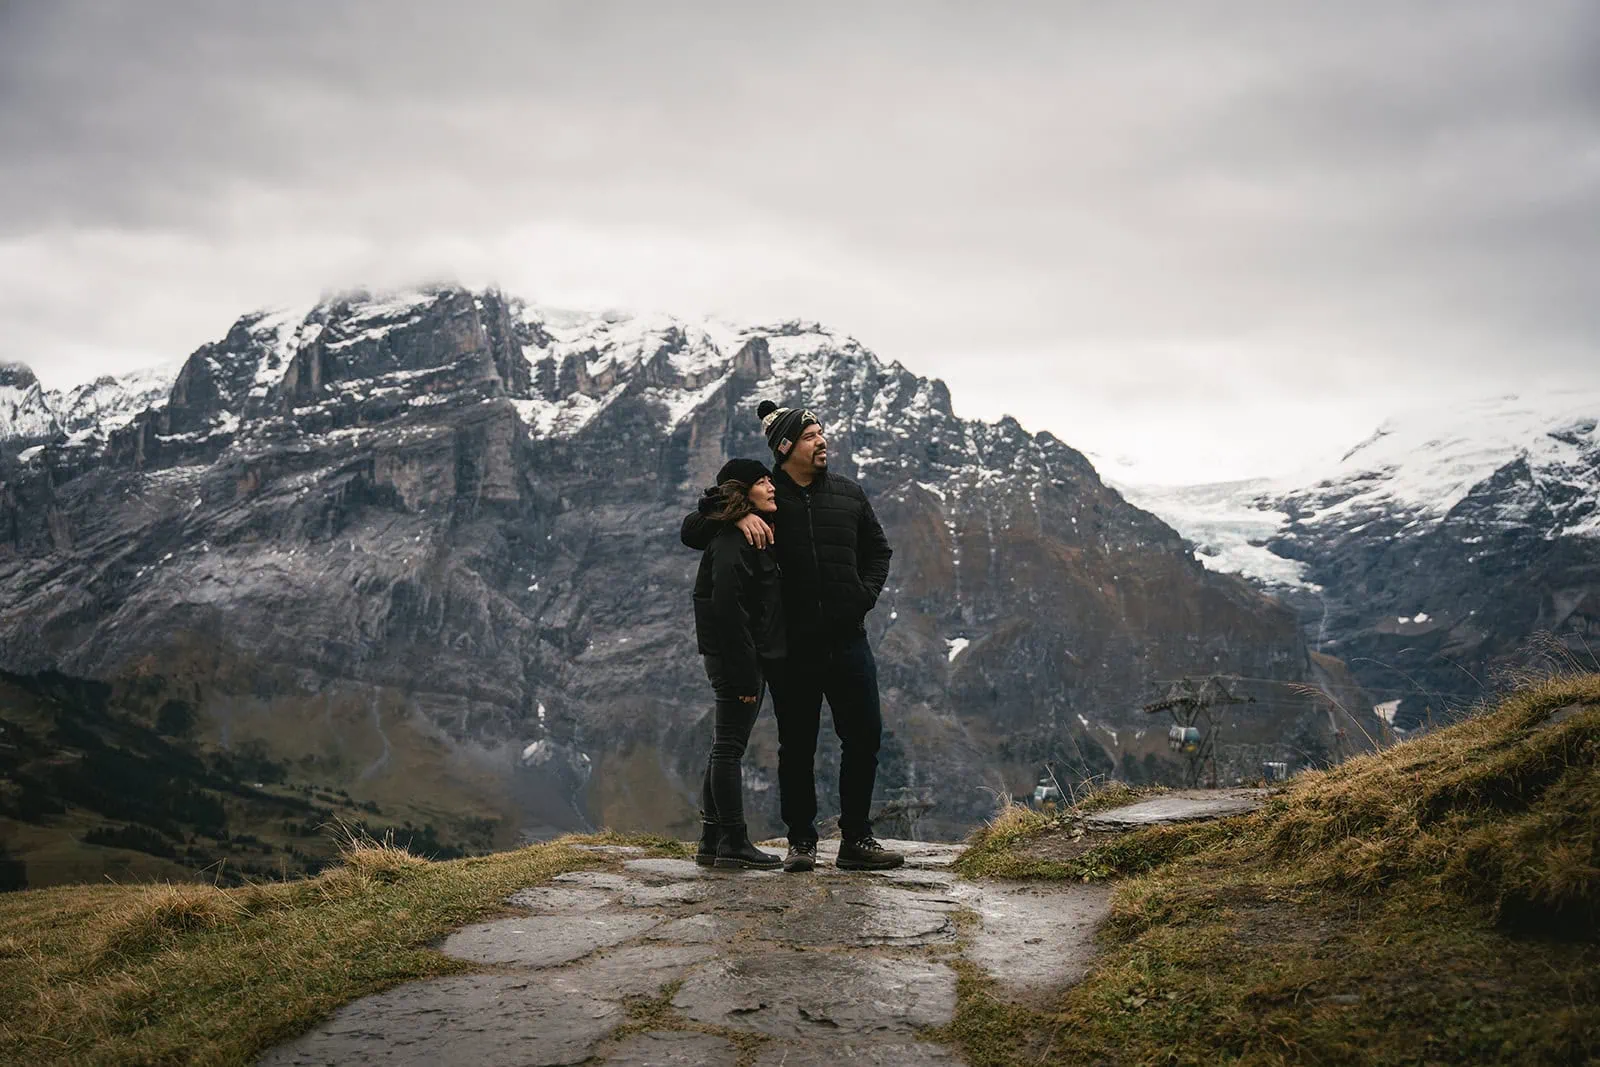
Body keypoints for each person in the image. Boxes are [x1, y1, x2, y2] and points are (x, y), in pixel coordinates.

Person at [682, 401, 903, 872]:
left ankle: (857, 840)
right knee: (796, 746)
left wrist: (862, 596)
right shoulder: (765, 496)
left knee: (864, 738)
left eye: (821, 433)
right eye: (809, 436)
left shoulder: (848, 493)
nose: (821, 441)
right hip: (794, 648)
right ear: (786, 448)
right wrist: (736, 516)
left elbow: (879, 550)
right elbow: (692, 530)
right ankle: (801, 843)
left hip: (849, 640)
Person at [693, 458, 786, 870]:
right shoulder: (734, 541)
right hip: (736, 659)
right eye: (762, 482)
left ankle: (712, 840)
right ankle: (733, 839)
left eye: (770, 479)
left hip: (736, 655)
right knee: (730, 748)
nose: (771, 486)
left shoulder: (744, 532)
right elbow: (729, 610)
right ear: (742, 492)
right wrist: (745, 670)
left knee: (724, 746)